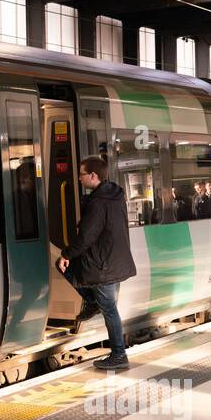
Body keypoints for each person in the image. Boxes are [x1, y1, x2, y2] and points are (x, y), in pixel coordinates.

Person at [56, 157, 138, 371]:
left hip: (102, 265)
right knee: (109, 307)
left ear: (93, 176)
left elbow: (86, 236)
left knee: (109, 308)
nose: (79, 179)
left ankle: (119, 354)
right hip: (115, 261)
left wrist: (66, 254)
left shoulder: (97, 202)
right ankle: (93, 302)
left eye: (82, 175)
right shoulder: (116, 194)